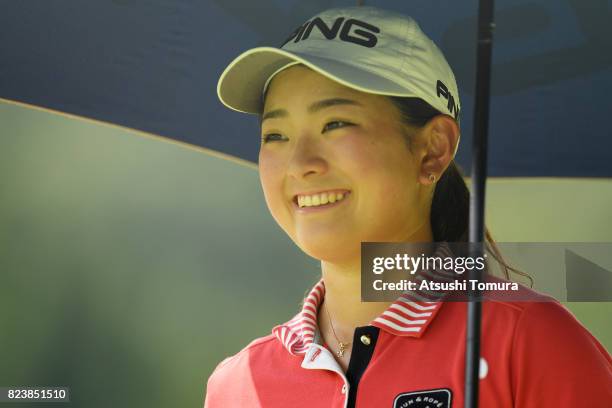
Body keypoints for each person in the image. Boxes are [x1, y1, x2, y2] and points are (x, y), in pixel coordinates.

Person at [205, 6, 612, 408]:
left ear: (432, 150)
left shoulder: (527, 341)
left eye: (335, 124)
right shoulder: (237, 384)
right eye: (275, 134)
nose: (301, 164)